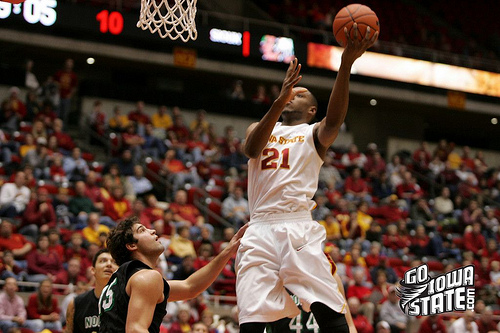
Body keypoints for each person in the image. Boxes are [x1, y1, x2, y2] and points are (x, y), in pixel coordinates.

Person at [236, 24, 377, 332]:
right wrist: (278, 100)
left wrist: (346, 64)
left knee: (327, 308)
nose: (291, 93)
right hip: (258, 227)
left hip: (295, 225)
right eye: (290, 91)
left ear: (311, 110)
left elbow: (336, 119)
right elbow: (251, 149)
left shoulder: (313, 133)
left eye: (299, 94)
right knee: (253, 319)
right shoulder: (258, 128)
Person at [98, 216, 247, 333]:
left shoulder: (121, 279)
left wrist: (228, 251)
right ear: (132, 245)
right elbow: (136, 330)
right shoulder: (146, 277)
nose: (152, 231)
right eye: (142, 230)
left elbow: (190, 287)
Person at [65, 249, 119, 333]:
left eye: (114, 262)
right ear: (93, 270)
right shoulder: (76, 304)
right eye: (103, 261)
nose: (109, 264)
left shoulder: (127, 301)